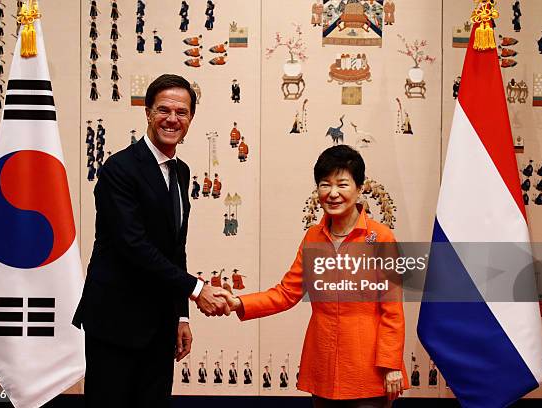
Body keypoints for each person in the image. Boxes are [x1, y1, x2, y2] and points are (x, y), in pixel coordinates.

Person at [72, 74, 230, 407]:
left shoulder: (181, 171)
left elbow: (175, 249)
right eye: (163, 109)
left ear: (190, 119)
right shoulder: (119, 169)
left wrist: (181, 317)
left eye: (181, 112)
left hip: (159, 326)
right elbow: (133, 245)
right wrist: (197, 289)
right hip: (115, 323)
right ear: (147, 113)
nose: (172, 119)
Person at [218, 145, 408, 407]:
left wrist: (391, 364)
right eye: (324, 184)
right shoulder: (313, 238)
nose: (332, 193)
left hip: (369, 369)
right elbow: (287, 292)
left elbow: (392, 310)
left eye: (342, 184)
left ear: (359, 188)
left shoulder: (381, 238)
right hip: (323, 365)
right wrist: (240, 303)